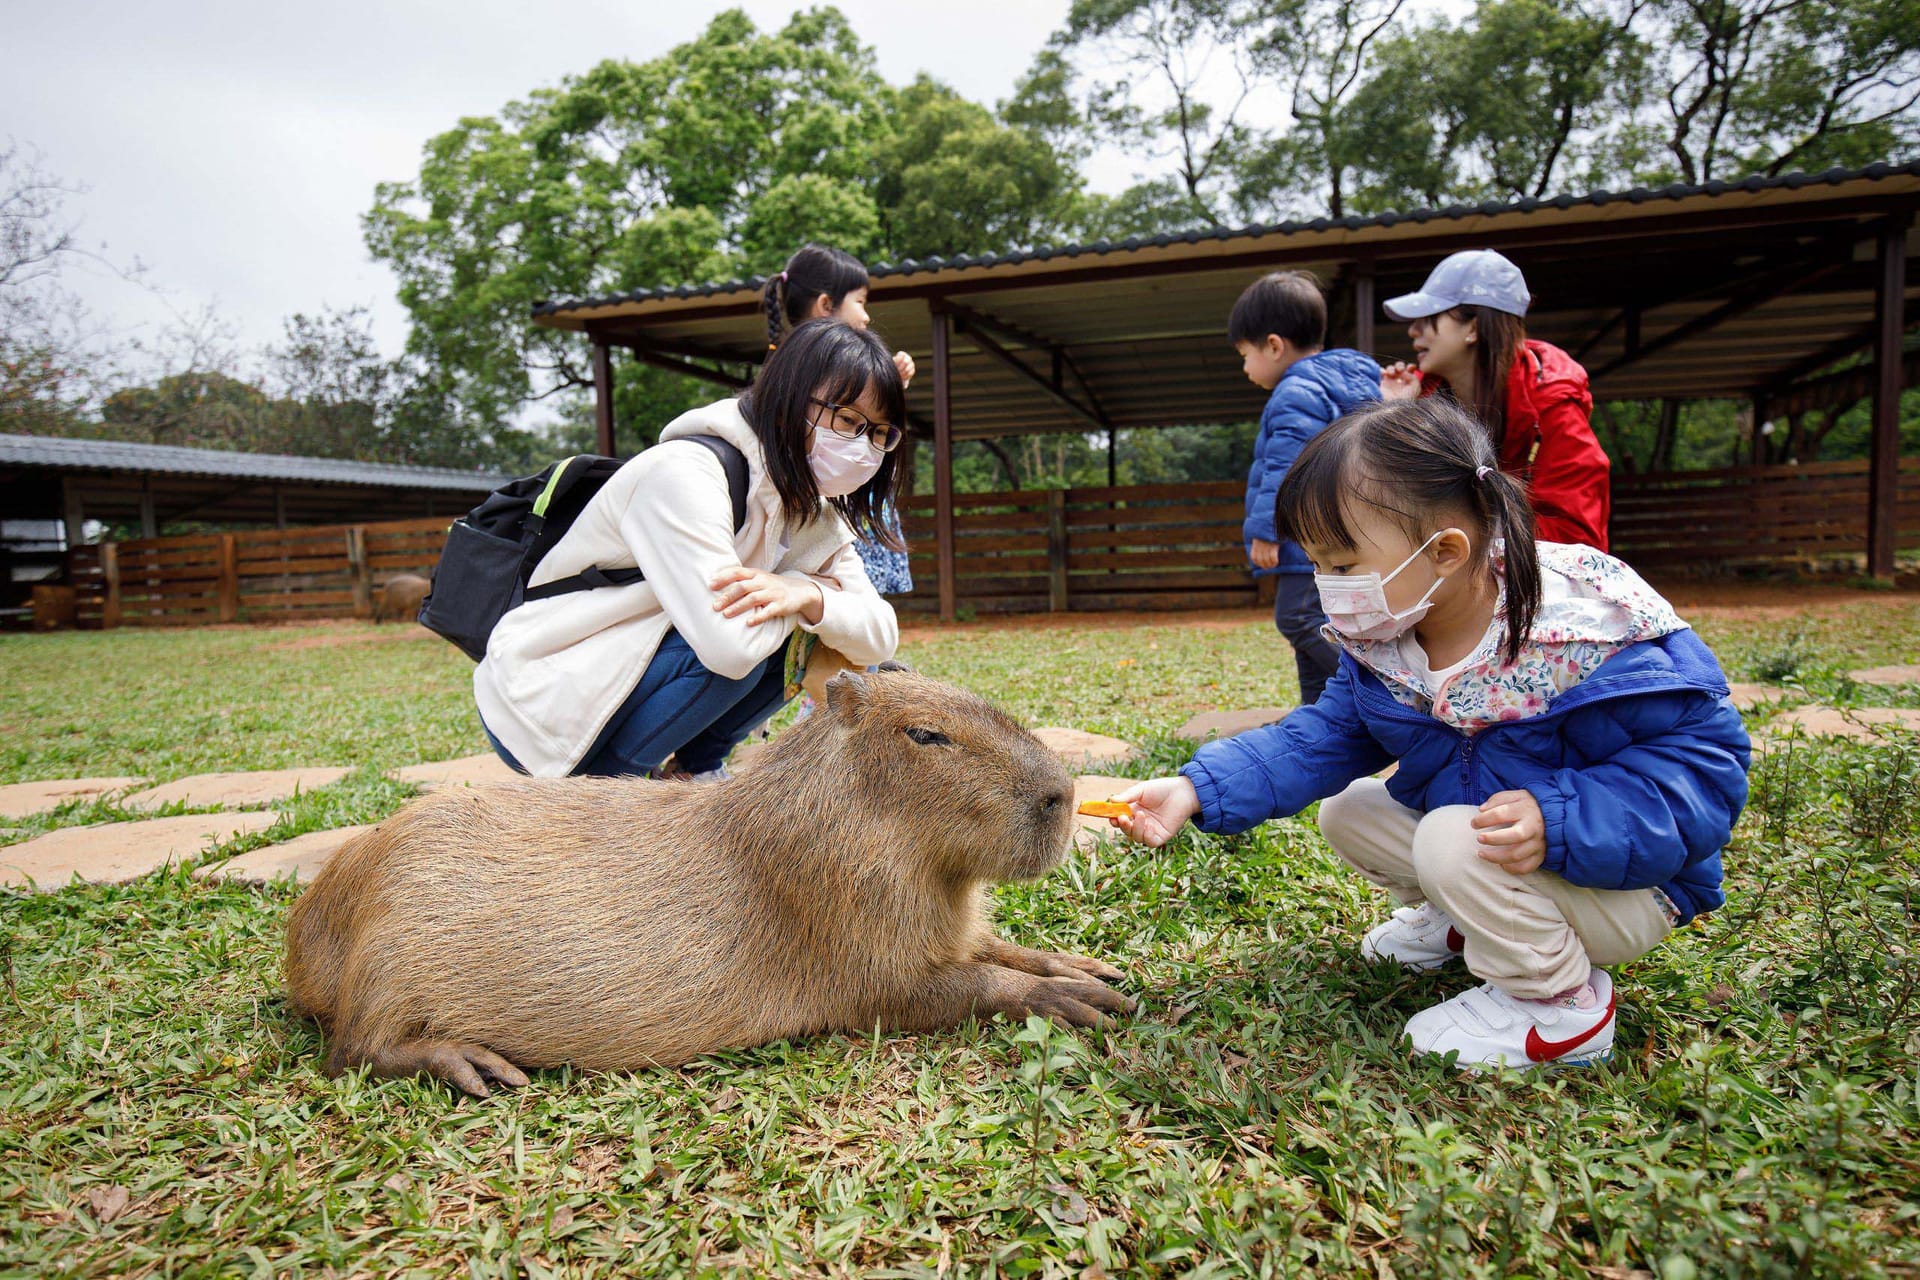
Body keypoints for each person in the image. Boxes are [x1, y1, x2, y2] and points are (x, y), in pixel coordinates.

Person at [1106, 398, 1750, 1070]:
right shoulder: (1391, 643)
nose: (1327, 585)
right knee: (1351, 812)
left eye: (1345, 564)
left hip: (1632, 888)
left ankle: (1560, 1008)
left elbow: (1701, 779)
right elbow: (1320, 739)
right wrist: (1195, 788)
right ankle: (1465, 922)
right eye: (1318, 563)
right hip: (1505, 849)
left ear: (1445, 550)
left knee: (1451, 838)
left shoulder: (1589, 636)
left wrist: (1556, 820)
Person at [474, 319, 904, 780]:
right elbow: (729, 650)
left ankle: (696, 771)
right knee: (752, 641)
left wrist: (813, 599)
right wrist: (804, 590)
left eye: (879, 433)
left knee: (804, 628)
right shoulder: (685, 474)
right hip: (545, 702)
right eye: (848, 421)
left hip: (631, 675)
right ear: (789, 403)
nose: (866, 448)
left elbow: (881, 636)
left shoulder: (812, 511)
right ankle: (612, 789)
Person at [1378, 249, 1612, 551]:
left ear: (1473, 327)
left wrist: (1466, 534)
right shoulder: (1420, 399)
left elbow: (1576, 539)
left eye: (1429, 317)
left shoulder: (1553, 408)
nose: (1413, 331)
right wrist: (1396, 414)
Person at [1231, 270, 1382, 704]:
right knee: (1314, 627)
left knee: (1298, 619)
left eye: (1245, 354)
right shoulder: (1346, 383)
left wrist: (1266, 530)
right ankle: (1318, 713)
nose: (1245, 367)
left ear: (1274, 345)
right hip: (1346, 533)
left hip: (1305, 539)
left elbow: (1285, 465)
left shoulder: (1295, 392)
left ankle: (1385, 695)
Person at [766, 244, 916, 599]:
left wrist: (891, 388)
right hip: (824, 507)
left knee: (856, 597)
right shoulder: (794, 371)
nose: (866, 316)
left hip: (851, 498)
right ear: (825, 305)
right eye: (860, 301)